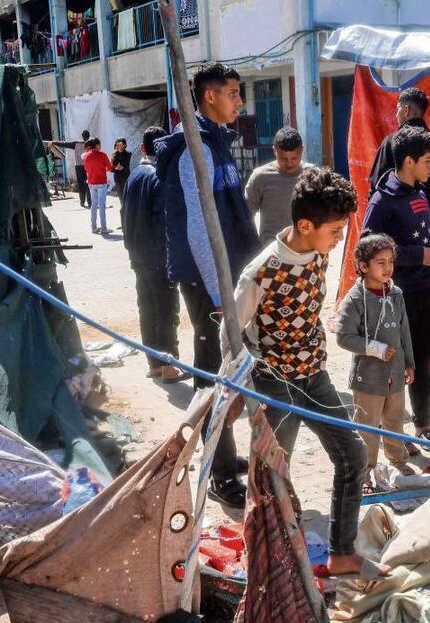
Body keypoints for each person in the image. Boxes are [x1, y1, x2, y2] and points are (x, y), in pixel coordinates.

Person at [226, 166, 386, 579]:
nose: (338, 241)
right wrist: (234, 392)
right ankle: (262, 558)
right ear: (304, 225)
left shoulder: (319, 250)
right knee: (271, 478)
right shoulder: (260, 272)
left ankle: (342, 552)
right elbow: (231, 333)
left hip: (314, 378)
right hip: (274, 385)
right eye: (334, 231)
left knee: (352, 456)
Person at [155, 62, 261, 508]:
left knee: (234, 370)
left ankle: (226, 450)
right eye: (233, 93)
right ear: (210, 96)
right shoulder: (190, 148)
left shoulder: (218, 142)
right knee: (213, 374)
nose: (240, 101)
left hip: (228, 276)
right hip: (207, 282)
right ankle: (219, 471)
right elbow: (199, 228)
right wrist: (220, 297)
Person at [362, 124, 430, 443]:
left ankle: (423, 425)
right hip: (394, 297)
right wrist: (417, 255)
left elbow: (424, 232)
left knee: (424, 358)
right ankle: (391, 434)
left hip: (424, 292)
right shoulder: (382, 201)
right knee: (394, 364)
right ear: (409, 161)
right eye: (428, 160)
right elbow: (367, 247)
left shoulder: (421, 193)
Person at [336, 234, 416, 488]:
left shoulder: (396, 294)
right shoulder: (355, 299)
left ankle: (397, 461)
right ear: (363, 265)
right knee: (367, 428)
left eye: (390, 261)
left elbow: (404, 332)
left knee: (394, 421)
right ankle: (365, 470)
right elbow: (343, 336)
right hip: (368, 378)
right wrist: (375, 349)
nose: (387, 267)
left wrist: (409, 363)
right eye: (380, 262)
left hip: (395, 375)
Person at [121, 126, 184, 384]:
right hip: (158, 257)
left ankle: (154, 363)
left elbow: (124, 214)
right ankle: (169, 366)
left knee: (147, 307)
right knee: (166, 310)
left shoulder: (134, 175)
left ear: (143, 149)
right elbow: (163, 222)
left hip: (137, 253)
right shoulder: (161, 177)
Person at [368, 87, 430, 222]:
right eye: (427, 161)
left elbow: (376, 185)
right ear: (409, 162)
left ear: (406, 110)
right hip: (423, 226)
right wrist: (423, 216)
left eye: (397, 109)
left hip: (392, 229)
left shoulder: (392, 142)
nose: (396, 115)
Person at [245, 127, 311, 239]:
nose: (289, 163)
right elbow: (246, 216)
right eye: (283, 158)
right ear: (274, 151)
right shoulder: (260, 177)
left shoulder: (312, 175)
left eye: (294, 158)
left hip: (306, 251)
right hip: (271, 251)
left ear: (302, 150)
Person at [49, 129, 92, 208]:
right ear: (89, 136)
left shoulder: (76, 143)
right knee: (89, 184)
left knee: (81, 184)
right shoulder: (92, 144)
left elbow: (64, 144)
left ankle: (82, 202)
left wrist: (53, 142)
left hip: (79, 167)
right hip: (89, 167)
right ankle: (90, 202)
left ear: (82, 136)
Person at [81, 138, 114, 235]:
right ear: (97, 145)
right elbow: (110, 167)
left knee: (94, 205)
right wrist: (105, 169)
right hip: (101, 183)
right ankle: (104, 228)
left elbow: (86, 168)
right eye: (100, 144)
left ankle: (94, 227)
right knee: (102, 205)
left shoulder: (86, 156)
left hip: (91, 183)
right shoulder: (102, 155)